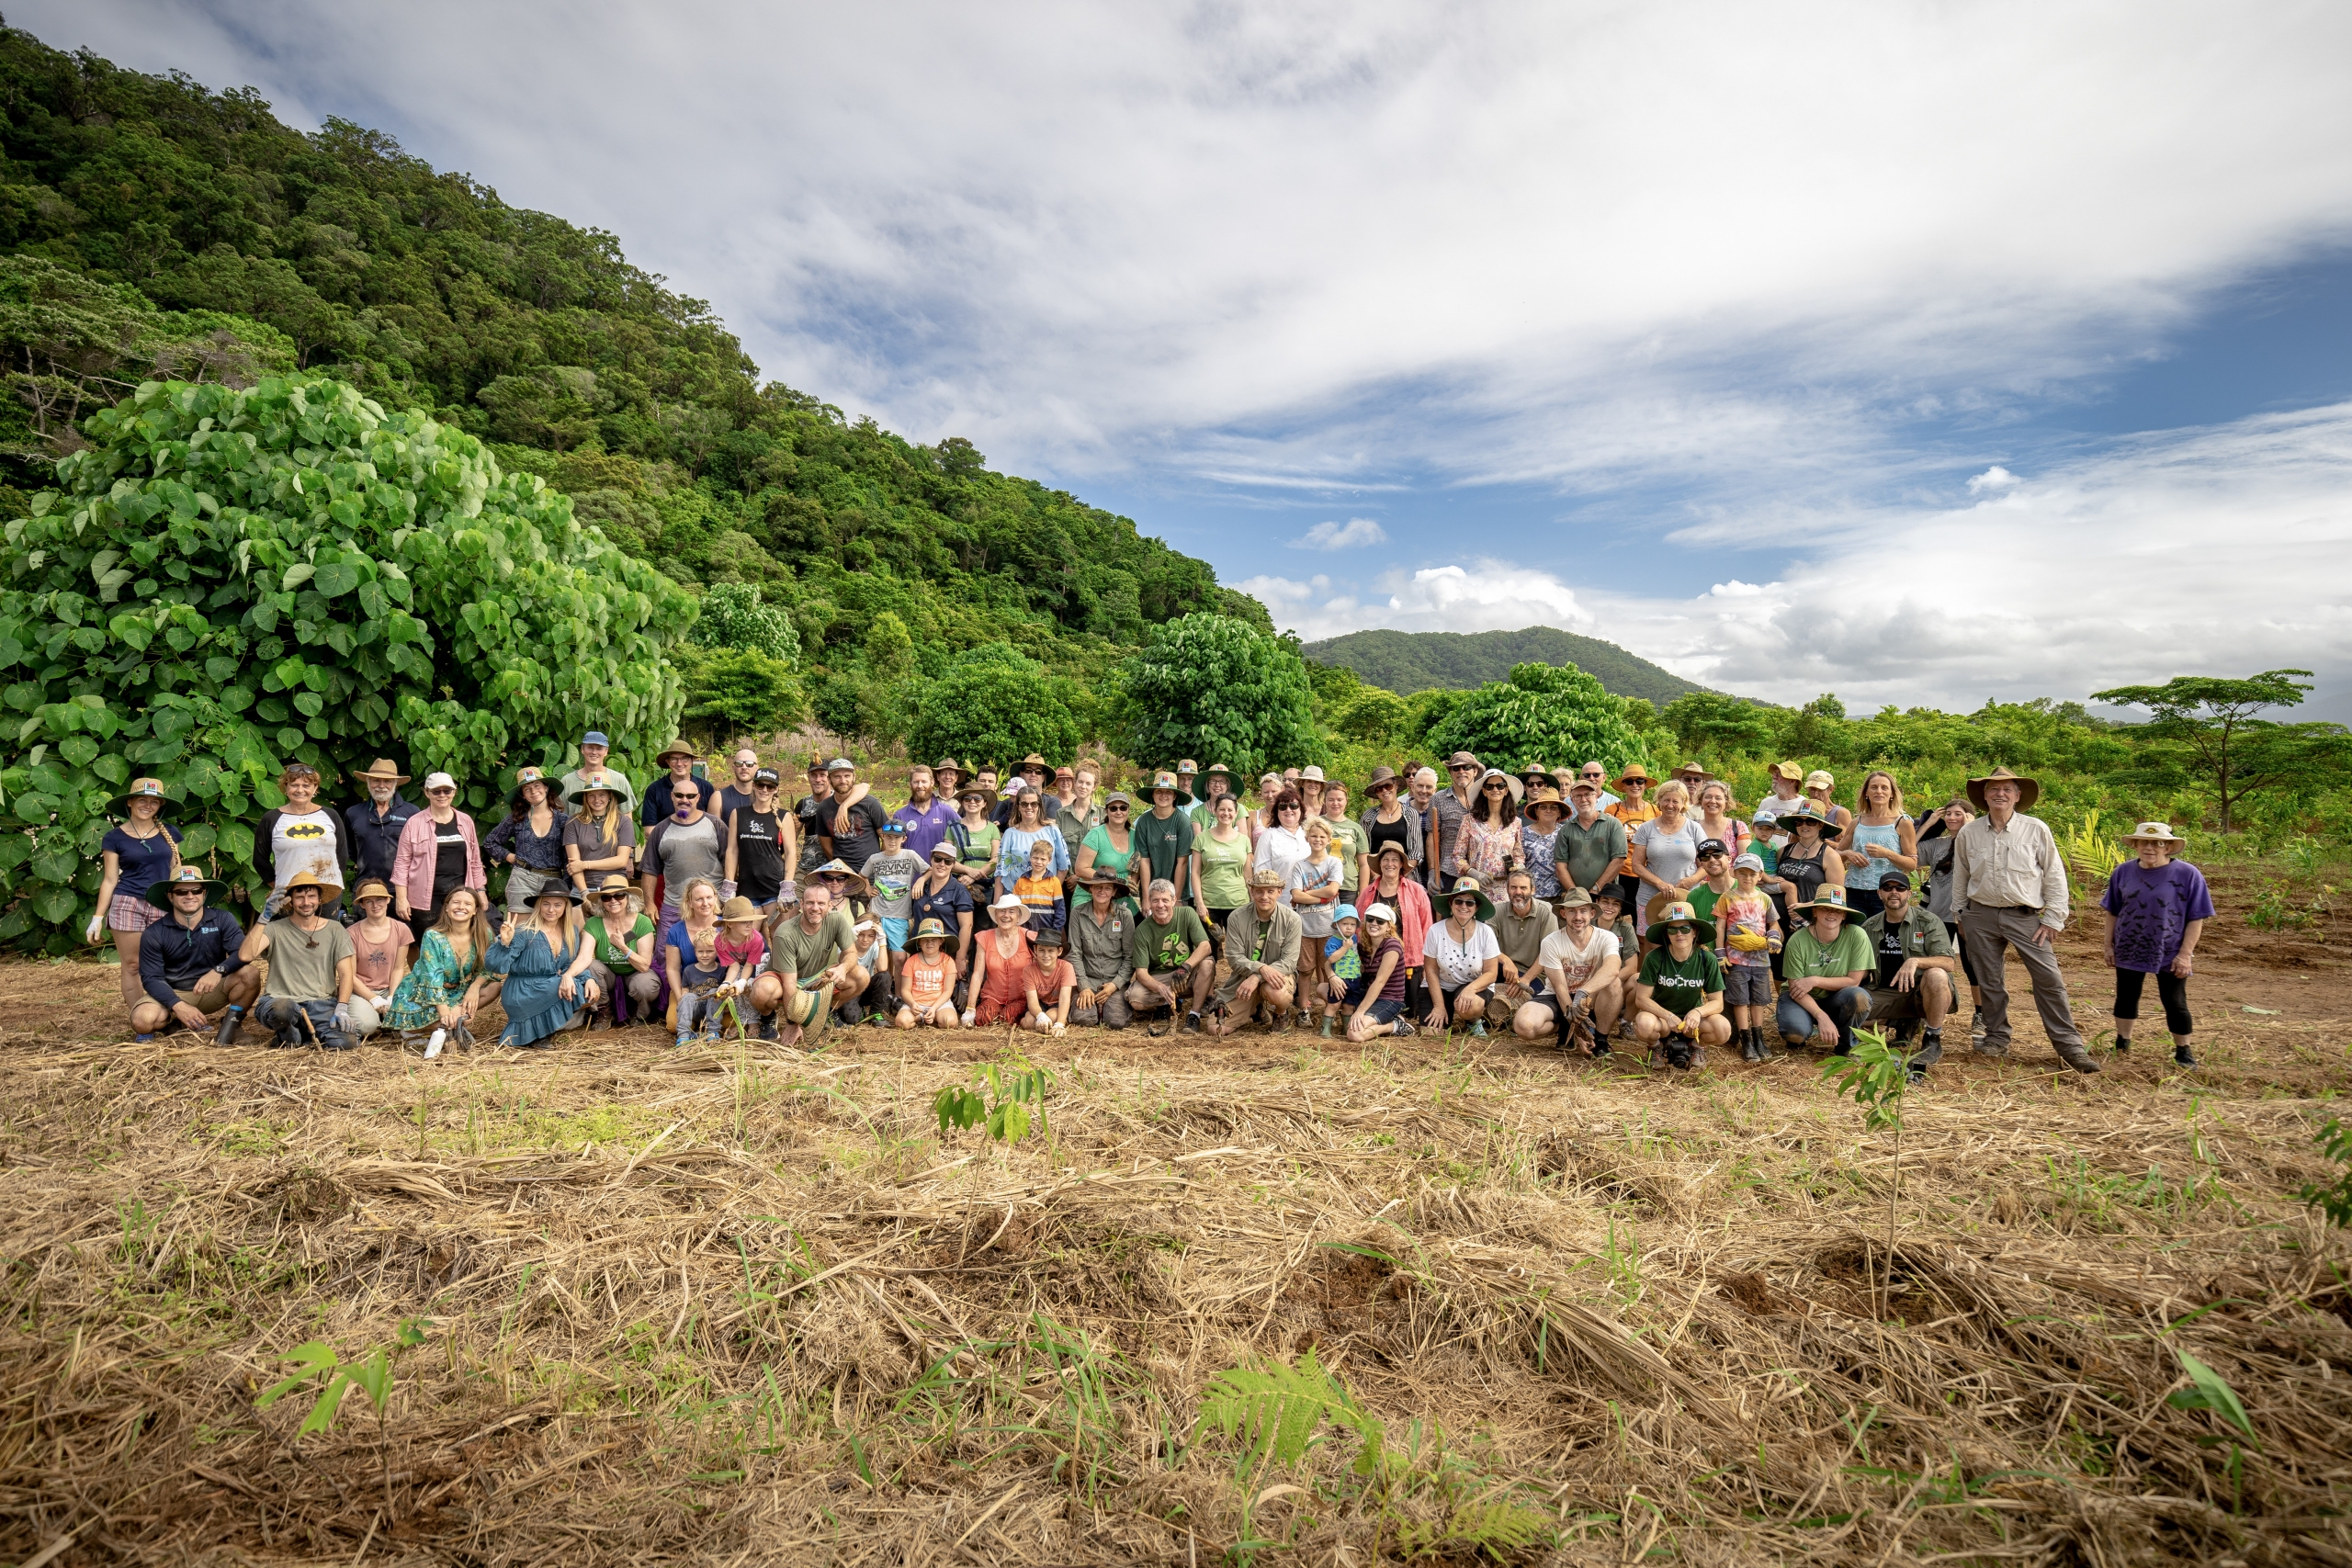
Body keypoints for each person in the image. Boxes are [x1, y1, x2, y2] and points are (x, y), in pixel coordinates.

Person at [1950, 766, 2097, 1073]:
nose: (1999, 794)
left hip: (2026, 916)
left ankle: (2070, 1046)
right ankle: (1996, 1036)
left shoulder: (2036, 829)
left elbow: (2054, 874)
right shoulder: (1969, 831)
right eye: (1993, 789)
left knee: (2049, 979)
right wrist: (1959, 914)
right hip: (1980, 914)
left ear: (2017, 796)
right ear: (1984, 797)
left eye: (2007, 789)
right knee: (1989, 980)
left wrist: (2054, 918)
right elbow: (1961, 874)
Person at [2101, 821, 2212, 1068]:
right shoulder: (2123, 872)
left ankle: (2183, 1050)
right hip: (2130, 945)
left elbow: (2197, 917)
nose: (2149, 847)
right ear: (2136, 845)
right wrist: (2108, 946)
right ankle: (2122, 1042)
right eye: (2144, 842)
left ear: (2169, 847)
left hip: (2170, 948)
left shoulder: (2187, 874)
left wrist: (2185, 954)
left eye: (2157, 842)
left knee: (2174, 1001)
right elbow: (2113, 911)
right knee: (2127, 996)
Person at [130, 867, 261, 1043]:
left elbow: (243, 953)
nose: (190, 896)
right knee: (142, 1020)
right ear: (170, 896)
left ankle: (233, 1026)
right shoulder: (154, 932)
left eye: (196, 890)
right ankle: (173, 1022)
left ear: (204, 894)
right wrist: (178, 1005)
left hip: (212, 989)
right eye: (181, 892)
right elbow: (151, 978)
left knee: (250, 974)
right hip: (172, 991)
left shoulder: (223, 919)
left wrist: (219, 970)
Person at [91, 776, 183, 1015]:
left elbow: (177, 871)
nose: (147, 805)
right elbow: (110, 879)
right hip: (128, 902)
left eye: (154, 802)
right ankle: (140, 1019)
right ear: (130, 802)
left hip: (162, 902)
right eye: (142, 800)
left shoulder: (170, 832)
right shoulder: (114, 837)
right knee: (132, 965)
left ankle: (164, 1013)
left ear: (160, 805)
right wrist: (98, 917)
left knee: (165, 962)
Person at [239, 872, 356, 1050]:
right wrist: (264, 917)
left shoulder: (335, 929)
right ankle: (289, 1031)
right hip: (281, 999)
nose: (306, 902)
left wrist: (341, 1007)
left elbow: (347, 973)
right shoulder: (274, 929)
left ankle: (296, 1037)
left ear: (319, 899)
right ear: (290, 901)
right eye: (299, 897)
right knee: (283, 1009)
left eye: (311, 896)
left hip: (321, 1003)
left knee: (346, 1043)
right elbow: (245, 956)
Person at [1862, 871, 1957, 1080]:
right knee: (1850, 1006)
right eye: (1887, 888)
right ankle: (1902, 1021)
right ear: (1879, 893)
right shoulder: (1869, 926)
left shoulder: (1928, 921)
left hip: (1922, 993)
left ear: (1910, 893)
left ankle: (1932, 1037)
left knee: (1936, 975)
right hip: (1886, 991)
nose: (1894, 892)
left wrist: (1915, 961)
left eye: (1900, 888)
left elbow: (1949, 962)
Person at [379, 886, 492, 1055]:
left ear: (475, 910)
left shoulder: (484, 934)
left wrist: (474, 988)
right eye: (456, 902)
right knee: (464, 1021)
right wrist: (446, 1011)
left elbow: (487, 970)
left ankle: (449, 1023)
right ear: (446, 907)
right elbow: (432, 978)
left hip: (457, 989)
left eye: (467, 903)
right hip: (424, 991)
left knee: (495, 987)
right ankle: (412, 1031)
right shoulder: (433, 936)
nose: (461, 907)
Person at [1913, 793, 1984, 1047]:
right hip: (1937, 915)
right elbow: (1909, 851)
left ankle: (1980, 1014)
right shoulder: (1937, 845)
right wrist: (1930, 823)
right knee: (1932, 965)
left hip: (1968, 914)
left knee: (1972, 965)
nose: (1953, 818)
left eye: (1959, 813)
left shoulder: (1978, 842)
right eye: (1949, 814)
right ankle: (1927, 1011)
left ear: (1970, 817)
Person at [490, 884, 599, 1048]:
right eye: (546, 904)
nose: (551, 910)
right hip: (521, 989)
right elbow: (496, 966)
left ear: (566, 907)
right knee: (572, 985)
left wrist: (588, 978)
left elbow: (570, 964)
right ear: (538, 905)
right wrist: (504, 944)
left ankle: (541, 1030)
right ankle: (536, 1032)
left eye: (557, 905)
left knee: (586, 988)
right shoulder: (524, 932)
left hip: (549, 986)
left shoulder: (570, 932)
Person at [749, 883, 860, 1044]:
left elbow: (851, 953)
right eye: (810, 902)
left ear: (829, 906)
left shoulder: (837, 920)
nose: (815, 908)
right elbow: (790, 983)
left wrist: (843, 967)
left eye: (821, 903)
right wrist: (793, 1022)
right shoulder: (785, 933)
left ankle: (824, 1014)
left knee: (860, 976)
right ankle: (768, 1018)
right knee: (761, 991)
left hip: (818, 976)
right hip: (785, 978)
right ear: (801, 904)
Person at [1631, 899, 1730, 1069]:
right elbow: (1641, 999)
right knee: (1644, 1024)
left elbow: (1717, 1002)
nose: (1679, 934)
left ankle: (1697, 1046)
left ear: (1694, 932)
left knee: (1723, 1029)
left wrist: (1698, 1012)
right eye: (1673, 929)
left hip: (1692, 1023)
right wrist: (1667, 1016)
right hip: (1662, 1020)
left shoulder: (1707, 959)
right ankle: (1655, 1046)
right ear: (1666, 933)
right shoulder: (1655, 957)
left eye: (1685, 928)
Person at [1776, 886, 1873, 1055]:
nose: (1831, 914)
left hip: (1836, 998)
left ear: (1844, 915)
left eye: (1837, 910)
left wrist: (1815, 980)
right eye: (1825, 909)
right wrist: (1821, 1015)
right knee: (1795, 1033)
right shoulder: (1797, 940)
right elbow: (1796, 988)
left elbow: (1854, 981)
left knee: (1859, 996)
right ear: (1814, 912)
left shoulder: (1857, 935)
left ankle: (1846, 1045)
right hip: (1800, 997)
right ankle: (1801, 1030)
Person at [1521, 888, 1622, 1050]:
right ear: (1563, 913)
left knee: (1614, 983)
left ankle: (1601, 1041)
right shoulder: (1551, 941)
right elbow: (1560, 987)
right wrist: (1576, 1023)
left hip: (1591, 997)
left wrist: (1584, 992)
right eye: (1571, 911)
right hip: (1559, 996)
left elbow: (1613, 967)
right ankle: (1564, 1027)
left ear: (1592, 913)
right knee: (1523, 1026)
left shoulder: (1606, 937)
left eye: (1583, 911)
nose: (1578, 917)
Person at [390, 773, 484, 942]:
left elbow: (475, 861)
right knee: (429, 947)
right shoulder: (414, 823)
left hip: (460, 898)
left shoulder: (466, 821)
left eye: (447, 791)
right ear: (427, 793)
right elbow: (402, 863)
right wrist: (402, 899)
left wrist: (481, 892)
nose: (442, 795)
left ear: (454, 792)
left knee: (461, 942)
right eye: (436, 791)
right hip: (425, 900)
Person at [1211, 868, 1303, 1033]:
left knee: (1275, 992)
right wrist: (1260, 968)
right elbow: (1233, 957)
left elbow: (1289, 962)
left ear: (1280, 892)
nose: (1264, 896)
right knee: (1215, 1029)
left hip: (1278, 977)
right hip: (1243, 980)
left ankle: (1281, 1014)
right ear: (1252, 891)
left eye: (1270, 891)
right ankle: (1255, 1008)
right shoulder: (1236, 917)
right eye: (1259, 891)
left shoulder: (1292, 919)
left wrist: (1258, 975)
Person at [254, 761, 345, 919]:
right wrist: (278, 886)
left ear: (315, 788)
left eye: (306, 785)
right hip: (289, 894)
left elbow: (342, 854)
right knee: (291, 939)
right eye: (294, 785)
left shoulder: (331, 816)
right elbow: (259, 859)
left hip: (328, 893)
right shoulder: (272, 819)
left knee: (325, 937)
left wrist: (331, 885)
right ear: (286, 787)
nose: (300, 790)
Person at [1714, 854, 1783, 1062]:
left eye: (1752, 874)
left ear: (1760, 875)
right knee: (1740, 999)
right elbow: (1720, 926)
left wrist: (1772, 937)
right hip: (1736, 960)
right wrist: (1720, 952)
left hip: (1760, 960)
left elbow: (1774, 923)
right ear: (1734, 873)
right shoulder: (1727, 898)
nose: (1747, 878)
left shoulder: (1764, 898)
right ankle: (1745, 1039)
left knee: (1758, 999)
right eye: (1742, 873)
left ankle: (1758, 1037)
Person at [1127, 878, 1214, 1035]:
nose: (1160, 905)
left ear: (1174, 900)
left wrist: (1186, 967)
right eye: (1155, 900)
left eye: (1165, 900)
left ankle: (1194, 1014)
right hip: (1160, 977)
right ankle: (1164, 1004)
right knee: (1135, 999)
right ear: (1149, 902)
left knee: (1207, 964)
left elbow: (1205, 946)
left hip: (1186, 972)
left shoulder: (1187, 913)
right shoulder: (1142, 930)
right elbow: (1141, 972)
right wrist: (1161, 988)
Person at [641, 775, 726, 928]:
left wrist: (728, 897)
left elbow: (730, 862)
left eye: (690, 796)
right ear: (672, 796)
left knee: (713, 950)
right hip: (674, 906)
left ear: (698, 798)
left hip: (711, 906)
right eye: (679, 795)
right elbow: (649, 869)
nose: (684, 800)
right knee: (664, 951)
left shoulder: (715, 824)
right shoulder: (660, 830)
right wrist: (649, 904)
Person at [1363, 840, 1434, 1023]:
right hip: (1376, 958)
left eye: (1395, 859)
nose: (1390, 864)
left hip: (1410, 959)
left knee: (1410, 1013)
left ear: (1402, 864)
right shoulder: (1368, 892)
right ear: (1379, 864)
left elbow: (1427, 926)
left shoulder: (1417, 890)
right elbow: (1359, 925)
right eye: (1385, 859)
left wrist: (1428, 962)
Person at [483, 766, 571, 911]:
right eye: (527, 789)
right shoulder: (517, 818)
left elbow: (569, 857)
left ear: (546, 787)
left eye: (537, 785)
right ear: (523, 795)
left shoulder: (563, 820)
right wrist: (509, 856)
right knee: (520, 929)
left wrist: (566, 886)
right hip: (522, 878)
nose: (533, 791)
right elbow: (490, 842)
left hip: (554, 880)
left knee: (550, 929)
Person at [1422, 876, 1501, 1036]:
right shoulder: (1435, 931)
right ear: (1451, 904)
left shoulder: (1485, 932)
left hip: (1474, 983)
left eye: (1469, 902)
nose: (1463, 906)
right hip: (1442, 985)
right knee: (1430, 1034)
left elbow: (1492, 973)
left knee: (1470, 1006)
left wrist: (1470, 989)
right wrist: (1439, 1006)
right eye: (1458, 901)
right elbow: (1430, 970)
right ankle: (1447, 1012)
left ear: (1476, 907)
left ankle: (1473, 1021)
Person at [583, 874, 662, 1027]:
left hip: (636, 971)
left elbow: (645, 965)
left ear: (628, 898)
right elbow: (584, 957)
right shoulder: (594, 923)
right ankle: (604, 1010)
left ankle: (640, 1015)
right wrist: (567, 976)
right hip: (609, 974)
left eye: (619, 895)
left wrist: (623, 947)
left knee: (646, 985)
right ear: (602, 901)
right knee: (590, 966)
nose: (613, 900)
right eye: (606, 897)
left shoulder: (642, 922)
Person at [1627, 780, 1707, 930]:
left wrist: (1692, 880)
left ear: (1684, 803)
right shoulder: (1646, 829)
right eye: (1666, 800)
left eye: (1675, 801)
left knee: (1685, 938)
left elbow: (1707, 864)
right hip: (1651, 898)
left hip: (1687, 897)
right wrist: (1660, 884)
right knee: (1649, 941)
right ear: (1660, 801)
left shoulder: (1694, 828)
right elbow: (1637, 865)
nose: (1670, 805)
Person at [1286, 821, 1343, 1028]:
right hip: (1306, 928)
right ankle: (1303, 1009)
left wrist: (1306, 894)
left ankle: (1333, 1009)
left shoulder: (1334, 863)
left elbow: (1332, 891)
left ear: (1329, 840)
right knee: (1305, 970)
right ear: (1307, 838)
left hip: (1329, 928)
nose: (1318, 840)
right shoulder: (1300, 866)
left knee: (1329, 969)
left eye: (1322, 836)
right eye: (1314, 836)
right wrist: (1319, 897)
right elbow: (1295, 895)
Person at [342, 878, 413, 1041]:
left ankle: (387, 1017)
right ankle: (377, 1019)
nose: (375, 905)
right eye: (369, 901)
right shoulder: (351, 934)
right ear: (362, 904)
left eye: (379, 899)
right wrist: (374, 998)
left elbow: (398, 968)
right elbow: (350, 976)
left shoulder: (401, 930)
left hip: (390, 988)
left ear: (388, 900)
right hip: (361, 990)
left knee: (414, 1015)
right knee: (366, 1026)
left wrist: (391, 997)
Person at [1841, 770, 1917, 921]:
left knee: (1884, 939)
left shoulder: (1902, 822)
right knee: (1856, 938)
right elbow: (1834, 855)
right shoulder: (1857, 822)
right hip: (1854, 892)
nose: (1879, 791)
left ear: (1892, 794)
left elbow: (1912, 863)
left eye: (1884, 788)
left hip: (1888, 892)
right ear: (1866, 793)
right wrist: (1847, 853)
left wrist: (1887, 853)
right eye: (1874, 787)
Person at [1487, 869, 1557, 1030]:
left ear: (1533, 890)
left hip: (1534, 973)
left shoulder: (1546, 911)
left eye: (1523, 888)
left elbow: (1548, 953)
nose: (1518, 892)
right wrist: (1506, 960)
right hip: (1503, 967)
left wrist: (1525, 980)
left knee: (1527, 1007)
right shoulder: (1497, 911)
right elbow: (1486, 945)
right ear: (1507, 889)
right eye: (1513, 887)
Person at [1067, 872, 1135, 1029]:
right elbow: (1075, 954)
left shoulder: (1124, 915)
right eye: (1097, 887)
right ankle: (1093, 1006)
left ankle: (1108, 1006)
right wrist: (1083, 986)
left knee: (1115, 1022)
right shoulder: (1078, 913)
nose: (1102, 891)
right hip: (1088, 979)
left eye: (1107, 888)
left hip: (1114, 981)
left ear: (1114, 891)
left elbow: (1130, 956)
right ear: (1090, 889)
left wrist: (1115, 985)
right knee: (1084, 1019)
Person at [723, 766, 796, 913]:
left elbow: (790, 852)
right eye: (760, 785)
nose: (764, 789)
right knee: (748, 934)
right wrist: (729, 884)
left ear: (776, 789)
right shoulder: (738, 814)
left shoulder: (783, 816)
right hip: (747, 887)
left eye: (770, 786)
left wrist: (787, 884)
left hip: (774, 887)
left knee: (776, 935)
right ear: (754, 786)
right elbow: (732, 850)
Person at [966, 893, 1042, 1028]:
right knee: (983, 1017)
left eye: (1011, 911)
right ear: (996, 915)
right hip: (992, 997)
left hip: (1021, 998)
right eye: (1002, 911)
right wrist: (970, 1008)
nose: (1006, 915)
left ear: (1018, 917)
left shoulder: (1029, 937)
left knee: (1007, 1018)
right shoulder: (984, 937)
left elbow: (1043, 969)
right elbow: (977, 974)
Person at [1768, 803, 1845, 933]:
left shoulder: (1830, 856)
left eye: (1811, 821)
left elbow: (1837, 898)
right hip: (1776, 924)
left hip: (1807, 925)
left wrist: (1804, 907)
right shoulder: (1783, 851)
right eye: (1799, 821)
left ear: (1821, 825)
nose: (1804, 825)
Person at [343, 759, 419, 892]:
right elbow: (352, 851)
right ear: (368, 783)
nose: (381, 785)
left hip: (402, 890)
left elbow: (418, 852)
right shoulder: (353, 813)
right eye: (376, 780)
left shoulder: (412, 812)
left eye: (387, 781)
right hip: (365, 889)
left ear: (395, 784)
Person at [862, 818, 926, 967]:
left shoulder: (910, 855)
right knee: (879, 957)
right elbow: (862, 876)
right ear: (882, 837)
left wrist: (920, 880)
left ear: (904, 838)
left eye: (897, 837)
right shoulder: (875, 859)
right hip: (877, 913)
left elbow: (928, 870)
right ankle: (884, 986)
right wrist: (869, 891)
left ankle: (897, 989)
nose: (892, 841)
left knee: (899, 957)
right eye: (888, 837)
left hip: (899, 914)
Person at [1343, 904, 1414, 1041]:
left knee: (1355, 1034)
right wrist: (1333, 976)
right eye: (1370, 919)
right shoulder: (1364, 945)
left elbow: (1380, 981)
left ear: (1389, 926)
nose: (1374, 923)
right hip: (1368, 994)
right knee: (1324, 989)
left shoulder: (1392, 945)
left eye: (1380, 921)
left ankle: (1394, 1025)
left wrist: (1360, 1011)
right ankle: (1365, 1016)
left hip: (1389, 999)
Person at [1554, 778, 1629, 905]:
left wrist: (1596, 889)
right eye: (1578, 796)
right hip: (1574, 900)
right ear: (1572, 800)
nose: (1583, 799)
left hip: (1606, 897)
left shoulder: (1613, 825)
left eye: (1588, 794)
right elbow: (1561, 867)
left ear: (1596, 797)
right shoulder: (1565, 830)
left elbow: (1619, 861)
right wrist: (1576, 894)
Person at [910, 841, 977, 982]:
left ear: (953, 864)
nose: (942, 864)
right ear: (931, 859)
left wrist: (960, 959)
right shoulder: (920, 887)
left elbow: (967, 926)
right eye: (938, 859)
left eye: (948, 861)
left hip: (947, 954)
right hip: (920, 953)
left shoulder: (959, 891)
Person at [563, 778, 638, 896]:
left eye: (602, 795)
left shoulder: (623, 822)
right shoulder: (573, 822)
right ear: (585, 798)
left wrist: (585, 865)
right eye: (591, 795)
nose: (597, 800)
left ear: (610, 796)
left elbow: (622, 860)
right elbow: (574, 864)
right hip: (583, 887)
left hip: (615, 887)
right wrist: (584, 893)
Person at [1133, 773, 1196, 901]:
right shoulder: (1144, 821)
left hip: (1175, 889)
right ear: (1153, 794)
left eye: (1168, 792)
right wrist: (1145, 898)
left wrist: (1176, 899)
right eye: (1159, 791)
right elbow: (1143, 860)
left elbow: (1182, 862)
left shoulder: (1182, 821)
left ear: (1174, 796)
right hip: (1151, 888)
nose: (1163, 795)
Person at [1357, 767, 1422, 892]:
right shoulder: (1368, 816)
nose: (1384, 791)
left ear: (1396, 785)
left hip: (1406, 877)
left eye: (1387, 786)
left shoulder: (1410, 814)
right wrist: (1377, 876)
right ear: (1376, 792)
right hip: (1375, 877)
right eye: (1379, 788)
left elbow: (1417, 852)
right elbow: (1364, 851)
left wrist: (1399, 875)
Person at [1456, 769, 1520, 887]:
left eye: (1500, 786)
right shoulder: (1469, 820)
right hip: (1476, 886)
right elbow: (1457, 856)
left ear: (1506, 790)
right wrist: (1473, 873)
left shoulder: (1515, 822)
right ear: (1484, 791)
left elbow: (1519, 854)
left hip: (1505, 887)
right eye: (1490, 787)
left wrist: (1517, 869)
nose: (1495, 790)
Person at [998, 788, 1071, 889]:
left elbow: (1063, 866)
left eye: (1034, 804)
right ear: (1018, 806)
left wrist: (1053, 892)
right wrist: (997, 903)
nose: (1029, 807)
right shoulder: (1010, 834)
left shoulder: (1052, 831)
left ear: (1039, 806)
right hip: (1015, 896)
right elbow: (1001, 870)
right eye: (1024, 804)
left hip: (1045, 896)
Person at [1075, 791, 1140, 902]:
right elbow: (1081, 869)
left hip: (1121, 894)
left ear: (1128, 810)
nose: (1118, 812)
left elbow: (1136, 867)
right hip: (1091, 893)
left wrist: (1130, 885)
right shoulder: (1096, 835)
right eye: (1113, 808)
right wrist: (1116, 881)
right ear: (1106, 811)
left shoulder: (1136, 836)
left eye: (1123, 808)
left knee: (1136, 918)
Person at [898, 919, 964, 1029]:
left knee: (950, 1022)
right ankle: (920, 1017)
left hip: (940, 1004)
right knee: (902, 1022)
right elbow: (905, 989)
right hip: (917, 1003)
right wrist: (912, 1004)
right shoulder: (911, 961)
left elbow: (948, 991)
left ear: (941, 941)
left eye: (934, 939)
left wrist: (934, 1008)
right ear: (919, 942)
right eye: (925, 940)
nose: (929, 943)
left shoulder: (948, 961)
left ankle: (934, 1016)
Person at [1432, 751, 1484, 893]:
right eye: (1456, 768)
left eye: (1466, 767)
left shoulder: (1485, 798)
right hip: (1449, 872)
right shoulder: (1438, 799)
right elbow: (1432, 837)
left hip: (1481, 872)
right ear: (1450, 772)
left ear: (1475, 771)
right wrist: (1432, 871)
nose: (1461, 771)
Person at [1251, 789, 1310, 904]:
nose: (1288, 810)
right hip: (1281, 903)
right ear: (1276, 812)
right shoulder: (1269, 836)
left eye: (1293, 806)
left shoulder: (1310, 833)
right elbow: (1261, 874)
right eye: (1283, 807)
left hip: (1310, 903)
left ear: (1301, 809)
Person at [559, 731, 637, 818]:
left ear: (606, 751)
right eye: (590, 748)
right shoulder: (567, 781)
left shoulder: (619, 779)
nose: (594, 752)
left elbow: (627, 816)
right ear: (582, 749)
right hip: (575, 830)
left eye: (599, 748)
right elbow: (561, 817)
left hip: (611, 830)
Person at [1316, 782, 1369, 903]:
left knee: (1346, 922)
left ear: (1346, 801)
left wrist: (1363, 892)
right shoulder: (1316, 823)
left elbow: (1364, 864)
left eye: (1339, 799)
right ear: (1324, 801)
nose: (1335, 803)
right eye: (1331, 800)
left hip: (1348, 887)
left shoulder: (1356, 828)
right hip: (1320, 885)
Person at [949, 783, 1003, 902]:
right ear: (963, 803)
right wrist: (969, 871)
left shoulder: (992, 828)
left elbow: (996, 859)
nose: (972, 802)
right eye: (968, 798)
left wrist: (973, 877)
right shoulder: (953, 827)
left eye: (977, 798)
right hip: (959, 884)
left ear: (984, 803)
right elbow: (947, 858)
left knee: (983, 921)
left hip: (986, 887)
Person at [893, 763, 959, 861]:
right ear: (910, 784)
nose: (920, 786)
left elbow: (964, 834)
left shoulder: (946, 812)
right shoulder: (900, 815)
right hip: (912, 874)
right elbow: (895, 849)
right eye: (916, 782)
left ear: (932, 782)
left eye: (924, 781)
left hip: (939, 873)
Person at [1024, 925, 1078, 1035]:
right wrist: (1040, 1015)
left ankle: (1053, 1024)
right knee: (1029, 1022)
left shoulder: (1066, 967)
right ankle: (1040, 1024)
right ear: (1035, 950)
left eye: (1051, 951)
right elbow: (1032, 1000)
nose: (1046, 955)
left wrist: (1060, 1024)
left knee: (1052, 1017)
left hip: (1056, 1003)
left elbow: (1065, 997)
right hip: (1039, 1003)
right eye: (1042, 950)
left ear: (1059, 951)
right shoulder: (1029, 970)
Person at [1318, 904, 1362, 1037]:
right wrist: (1344, 948)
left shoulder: (1354, 938)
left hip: (1354, 978)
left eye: (1352, 924)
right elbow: (1331, 959)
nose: (1349, 927)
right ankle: (1325, 1030)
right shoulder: (1334, 941)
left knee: (1349, 1005)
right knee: (1335, 1004)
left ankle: (1345, 1029)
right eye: (1344, 923)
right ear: (1337, 924)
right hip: (1340, 978)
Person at [1517, 785, 1566, 899]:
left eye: (1553, 808)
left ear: (1559, 812)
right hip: (1530, 895)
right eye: (1543, 807)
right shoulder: (1522, 833)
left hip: (1559, 895)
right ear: (1536, 811)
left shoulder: (1565, 833)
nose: (1548, 810)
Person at [640, 739, 704, 829]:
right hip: (664, 841)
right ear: (668, 762)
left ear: (692, 760)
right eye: (674, 759)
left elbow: (712, 824)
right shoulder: (654, 789)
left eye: (684, 759)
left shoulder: (706, 787)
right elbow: (649, 830)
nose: (679, 764)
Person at [1012, 837, 1068, 932]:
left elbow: (1060, 911)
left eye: (1043, 859)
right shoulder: (1021, 880)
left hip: (1047, 931)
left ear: (1049, 861)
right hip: (1023, 931)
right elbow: (1014, 907)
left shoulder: (1054, 881)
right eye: (1035, 858)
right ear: (1030, 857)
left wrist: (1055, 933)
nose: (1038, 862)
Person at [1690, 782, 1750, 867]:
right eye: (1708, 797)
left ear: (1726, 802)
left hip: (1731, 879)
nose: (1713, 801)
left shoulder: (1738, 827)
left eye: (1718, 798)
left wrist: (1724, 880)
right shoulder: (1692, 827)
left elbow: (1745, 862)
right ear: (1701, 801)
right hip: (1698, 880)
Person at [1053, 761, 1103, 848]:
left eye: (1088, 783)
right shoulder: (1061, 814)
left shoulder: (1102, 814)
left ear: (1094, 787)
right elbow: (1057, 847)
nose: (1083, 786)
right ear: (1075, 782)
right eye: (1080, 782)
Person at [714, 747, 763, 822]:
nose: (744, 767)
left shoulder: (767, 797)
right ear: (733, 767)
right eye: (739, 763)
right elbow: (714, 831)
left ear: (757, 768)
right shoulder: (718, 798)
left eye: (749, 764)